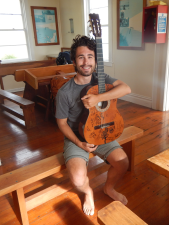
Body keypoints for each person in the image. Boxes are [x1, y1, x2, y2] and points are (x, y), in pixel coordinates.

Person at [55, 35, 131, 216]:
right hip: (77, 137)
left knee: (123, 162)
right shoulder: (64, 92)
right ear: (73, 61)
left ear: (95, 60)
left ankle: (109, 188)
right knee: (78, 179)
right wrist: (79, 143)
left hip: (103, 129)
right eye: (81, 57)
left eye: (90, 56)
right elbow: (61, 123)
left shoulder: (102, 79)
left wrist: (98, 98)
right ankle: (88, 192)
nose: (86, 62)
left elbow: (126, 88)